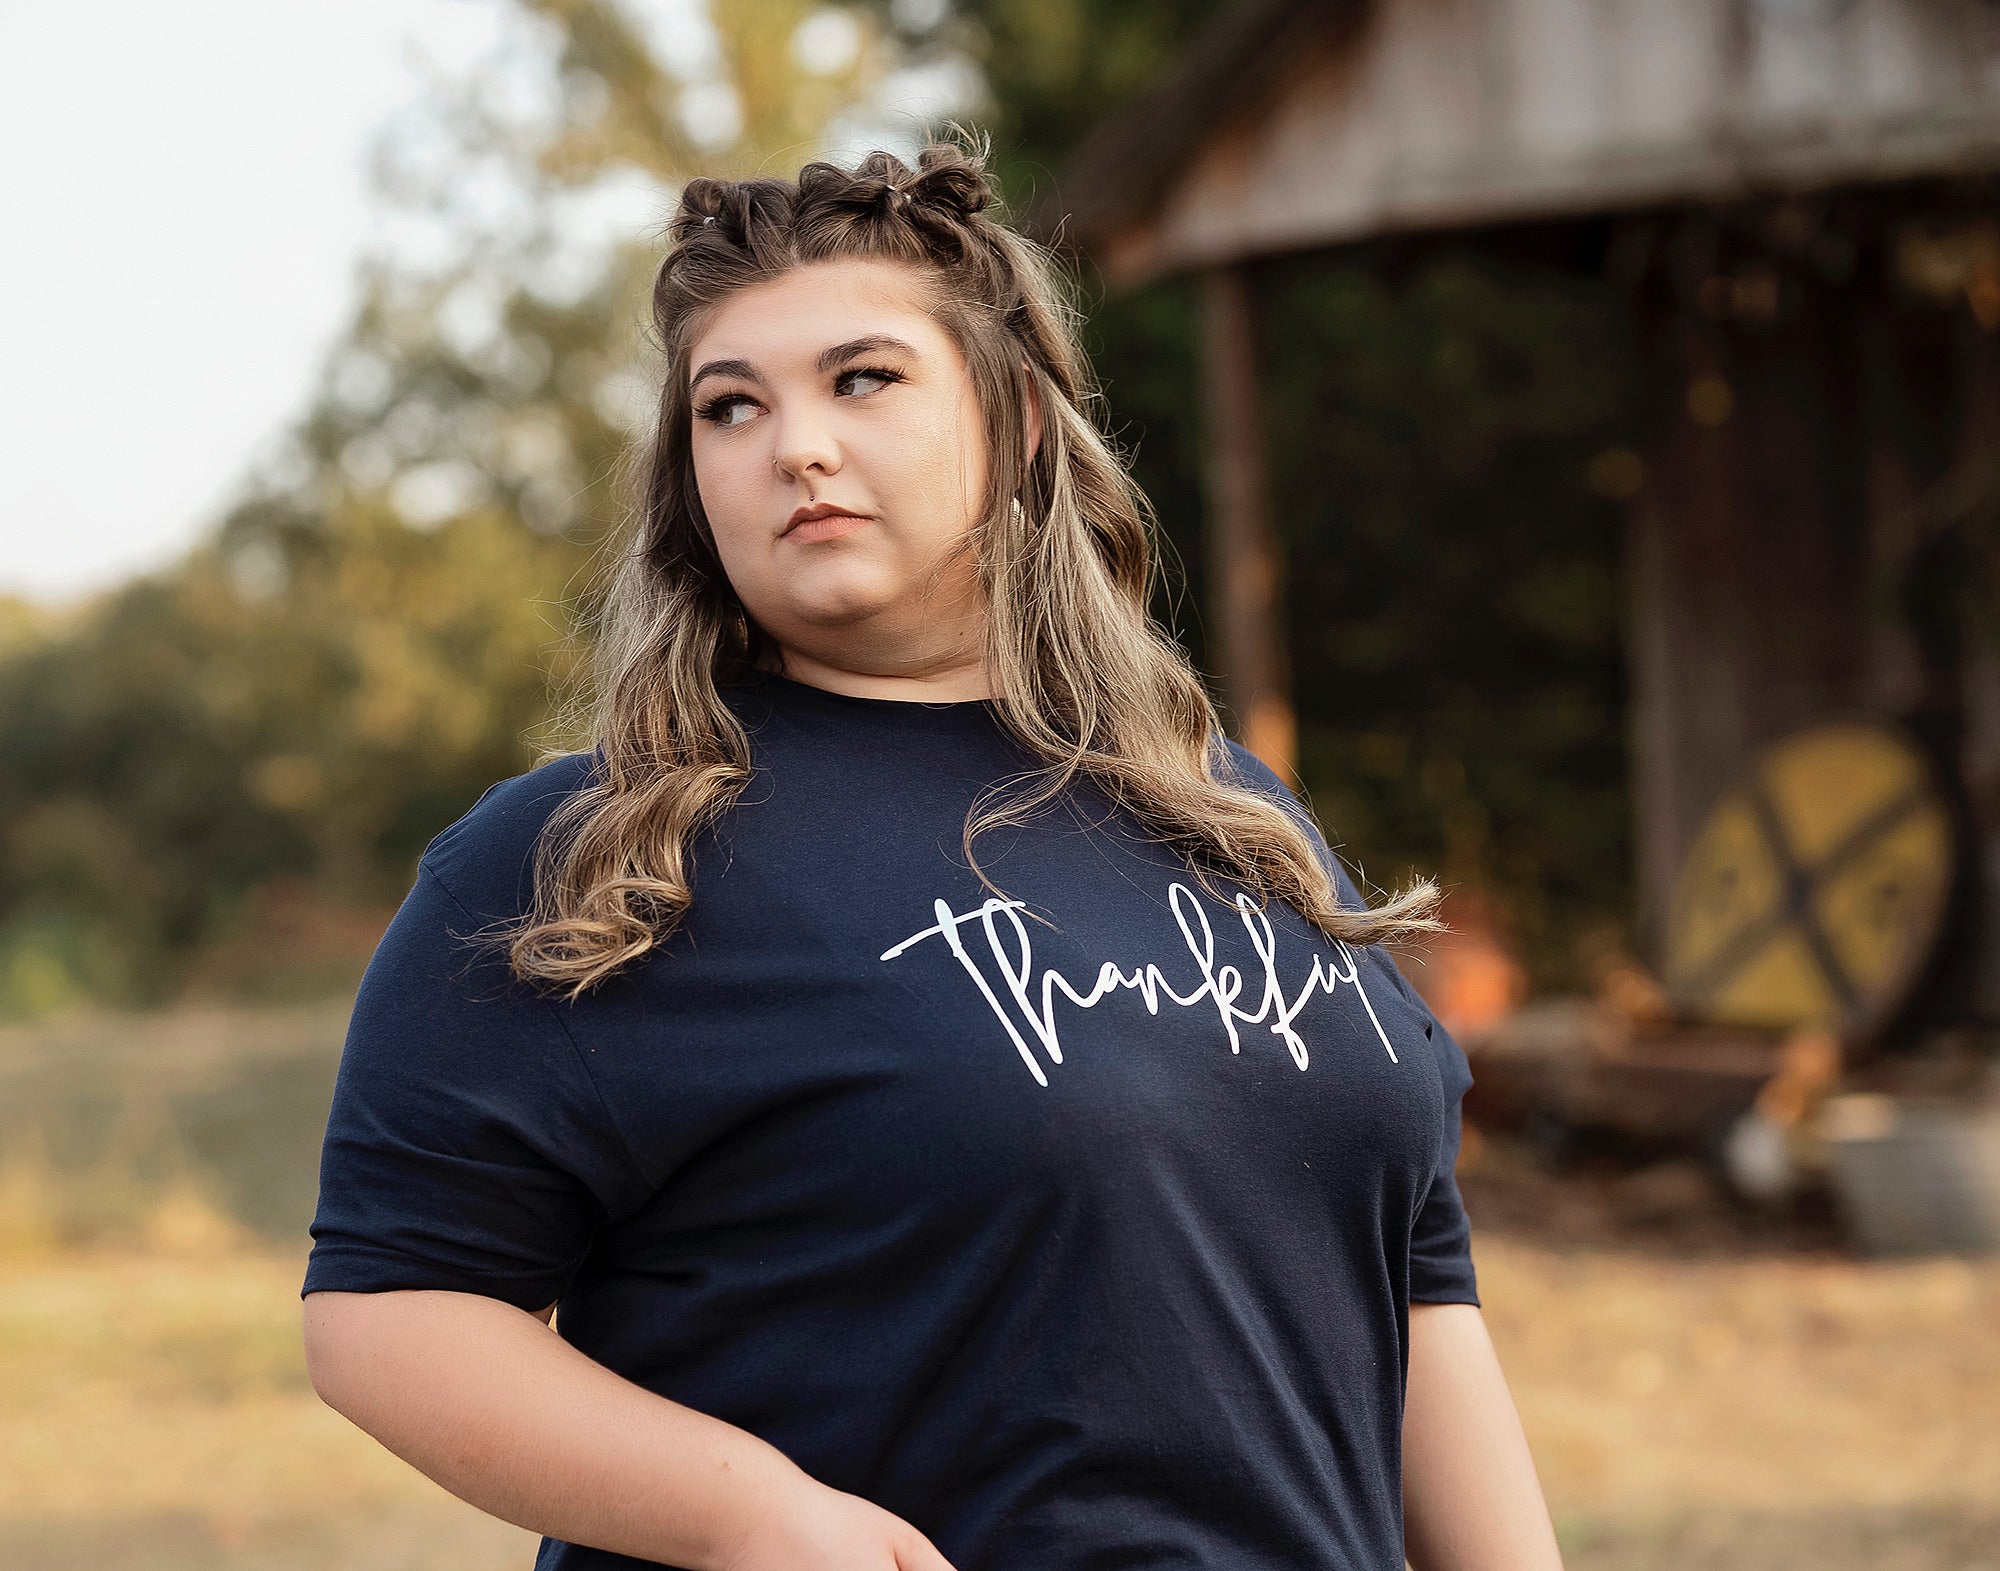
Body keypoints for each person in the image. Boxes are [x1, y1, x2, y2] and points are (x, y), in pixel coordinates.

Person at [300, 133, 1564, 1571]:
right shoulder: (595, 857)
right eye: (730, 406)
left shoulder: (1224, 807)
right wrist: (749, 1515)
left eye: (863, 378)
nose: (795, 444)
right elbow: (387, 1312)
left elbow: (1416, 1279)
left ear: (1015, 420)